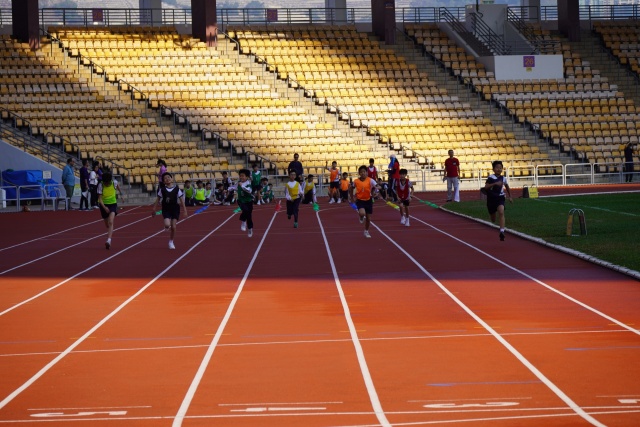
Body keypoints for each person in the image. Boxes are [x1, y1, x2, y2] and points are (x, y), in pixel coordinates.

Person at [152, 172, 188, 249]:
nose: (167, 179)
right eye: (165, 178)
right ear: (164, 181)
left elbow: (181, 200)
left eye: (168, 177)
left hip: (175, 209)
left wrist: (185, 210)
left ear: (172, 179)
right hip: (166, 209)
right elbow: (158, 199)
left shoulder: (177, 189)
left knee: (173, 227)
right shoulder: (162, 190)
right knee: (167, 225)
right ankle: (166, 226)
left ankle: (171, 241)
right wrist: (154, 209)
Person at [484, 160, 513, 241]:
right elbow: (486, 187)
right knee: (493, 219)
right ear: (493, 169)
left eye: (500, 168)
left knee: (501, 211)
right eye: (497, 167)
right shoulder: (490, 178)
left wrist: (510, 196)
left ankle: (502, 231)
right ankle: (492, 214)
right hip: (491, 199)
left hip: (500, 198)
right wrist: (495, 184)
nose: (499, 169)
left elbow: (507, 186)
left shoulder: (503, 178)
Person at [349, 165, 380, 238]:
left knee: (368, 219)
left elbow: (377, 186)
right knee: (362, 213)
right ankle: (361, 216)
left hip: (368, 200)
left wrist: (377, 188)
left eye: (364, 172)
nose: (363, 173)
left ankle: (366, 231)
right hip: (360, 200)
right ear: (359, 173)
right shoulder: (356, 181)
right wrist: (352, 198)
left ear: (366, 172)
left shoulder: (370, 180)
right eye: (361, 172)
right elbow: (351, 188)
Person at [97, 169, 124, 249]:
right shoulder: (100, 185)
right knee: (107, 225)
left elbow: (118, 187)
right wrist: (104, 207)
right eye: (105, 183)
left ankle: (109, 240)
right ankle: (110, 231)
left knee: (111, 221)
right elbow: (100, 199)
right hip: (104, 205)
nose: (107, 184)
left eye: (108, 183)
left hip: (113, 204)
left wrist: (122, 195)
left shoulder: (114, 182)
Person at [236, 168, 254, 237]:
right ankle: (243, 221)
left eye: (243, 176)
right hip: (241, 201)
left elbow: (249, 190)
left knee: (249, 216)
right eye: (240, 176)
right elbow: (234, 187)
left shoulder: (248, 183)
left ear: (247, 177)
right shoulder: (238, 183)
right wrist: (227, 189)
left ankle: (250, 229)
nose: (241, 177)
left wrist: (242, 186)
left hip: (249, 201)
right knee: (245, 210)